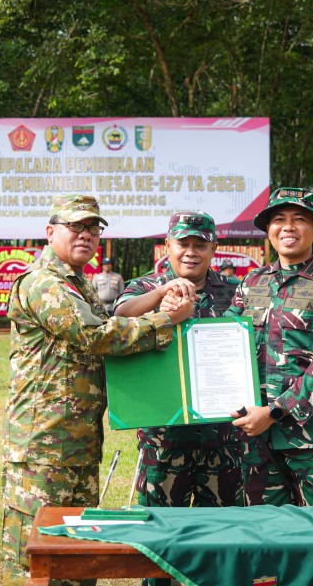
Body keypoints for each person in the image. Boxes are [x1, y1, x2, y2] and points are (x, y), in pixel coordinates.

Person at [1, 195, 193, 586]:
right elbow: (93, 336)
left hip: (75, 439)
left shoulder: (76, 282)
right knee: (37, 555)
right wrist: (166, 319)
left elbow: (107, 320)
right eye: (76, 227)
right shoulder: (43, 283)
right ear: (50, 231)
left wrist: (158, 294)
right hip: (44, 443)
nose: (86, 235)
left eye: (94, 228)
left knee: (75, 552)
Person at [114, 212, 242, 586]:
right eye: (182, 244)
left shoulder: (234, 290)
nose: (191, 252)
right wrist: (161, 296)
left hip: (221, 434)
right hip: (163, 434)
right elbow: (119, 316)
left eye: (200, 245)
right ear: (167, 246)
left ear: (213, 249)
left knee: (219, 537)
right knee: (159, 537)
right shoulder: (145, 285)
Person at [226, 188, 313, 511]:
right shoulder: (251, 284)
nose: (288, 227)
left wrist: (273, 413)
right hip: (256, 440)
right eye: (279, 220)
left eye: (299, 219)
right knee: (265, 537)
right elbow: (224, 342)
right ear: (268, 230)